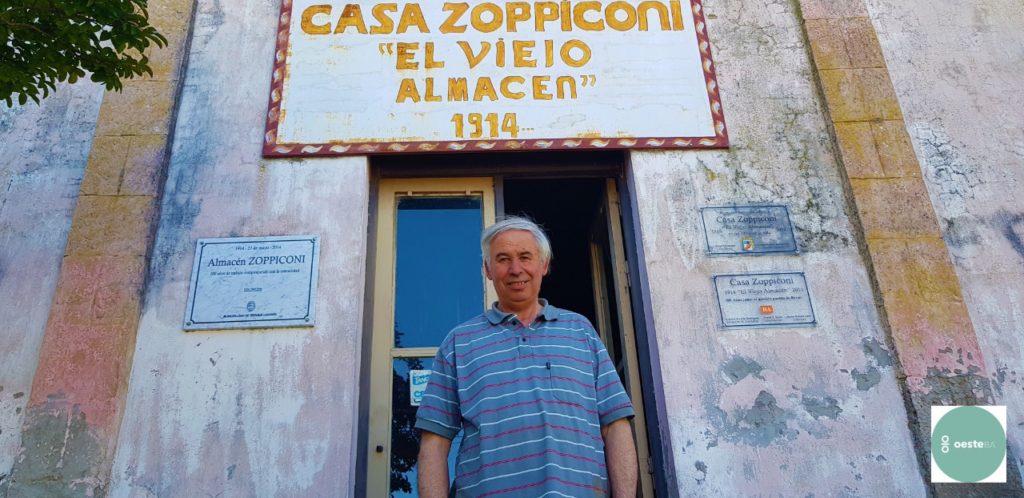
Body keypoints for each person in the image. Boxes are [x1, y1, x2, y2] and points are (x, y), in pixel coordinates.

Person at [415, 216, 638, 497]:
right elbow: (434, 442)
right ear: (487, 269)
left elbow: (615, 425)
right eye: (503, 259)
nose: (515, 269)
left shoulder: (581, 331)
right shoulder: (459, 343)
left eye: (525, 257)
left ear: (544, 265)